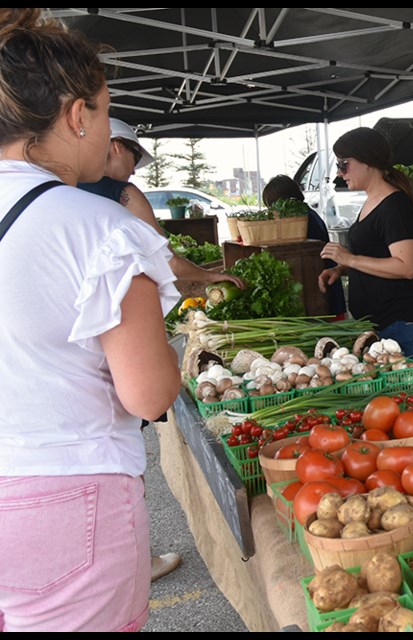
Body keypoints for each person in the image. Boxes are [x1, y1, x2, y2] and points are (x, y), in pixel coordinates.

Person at [0, 8, 181, 632]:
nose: (108, 133)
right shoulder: (101, 229)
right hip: (64, 496)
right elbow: (150, 394)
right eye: (105, 113)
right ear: (77, 114)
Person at [77, 118, 206, 583]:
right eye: (133, 156)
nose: (133, 169)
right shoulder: (118, 203)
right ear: (113, 145)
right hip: (100, 386)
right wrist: (209, 278)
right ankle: (133, 560)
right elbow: (150, 395)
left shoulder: (42, 203)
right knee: (117, 461)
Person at [78, 118, 245, 292]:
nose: (134, 170)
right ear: (117, 147)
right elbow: (169, 263)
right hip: (115, 301)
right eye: (135, 158)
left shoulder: (67, 189)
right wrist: (212, 276)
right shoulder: (125, 193)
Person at [318, 127, 413, 360]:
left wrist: (351, 259)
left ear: (366, 161)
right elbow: (377, 255)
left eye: (343, 164)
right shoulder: (372, 201)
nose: (339, 173)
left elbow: (406, 267)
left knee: (401, 395)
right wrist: (341, 268)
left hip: (397, 324)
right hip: (378, 325)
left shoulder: (394, 205)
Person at [262, 174, 347, 318]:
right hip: (323, 284)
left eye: (272, 206)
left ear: (283, 202)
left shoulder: (300, 219)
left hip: (321, 286)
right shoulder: (307, 214)